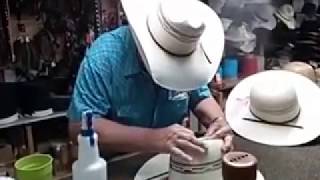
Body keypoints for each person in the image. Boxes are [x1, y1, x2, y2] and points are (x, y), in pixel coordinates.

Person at [68, 0, 233, 161]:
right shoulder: (104, 57)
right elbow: (79, 127)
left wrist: (218, 122)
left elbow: (201, 96)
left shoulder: (185, 49)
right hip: (117, 165)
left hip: (168, 162)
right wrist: (155, 139)